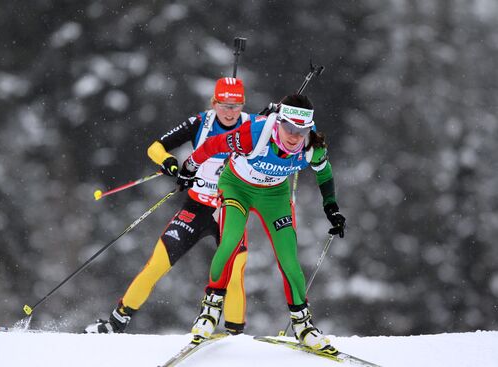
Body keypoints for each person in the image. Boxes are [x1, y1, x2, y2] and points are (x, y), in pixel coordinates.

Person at [176, 94, 346, 352]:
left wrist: (331, 208)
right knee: (230, 241)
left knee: (289, 258)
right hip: (237, 188)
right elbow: (213, 145)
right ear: (278, 121)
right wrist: (189, 166)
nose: (294, 136)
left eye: (301, 130)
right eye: (289, 127)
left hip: (274, 196)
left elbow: (325, 173)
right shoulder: (254, 134)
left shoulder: (312, 145)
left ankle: (303, 325)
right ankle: (210, 311)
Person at [84, 77, 254, 335]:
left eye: (236, 105)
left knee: (234, 272)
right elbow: (156, 147)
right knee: (157, 263)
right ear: (214, 103)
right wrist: (169, 162)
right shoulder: (200, 123)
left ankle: (234, 334)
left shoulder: (255, 127)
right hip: (196, 208)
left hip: (231, 210)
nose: (230, 112)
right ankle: (116, 323)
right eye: (224, 105)